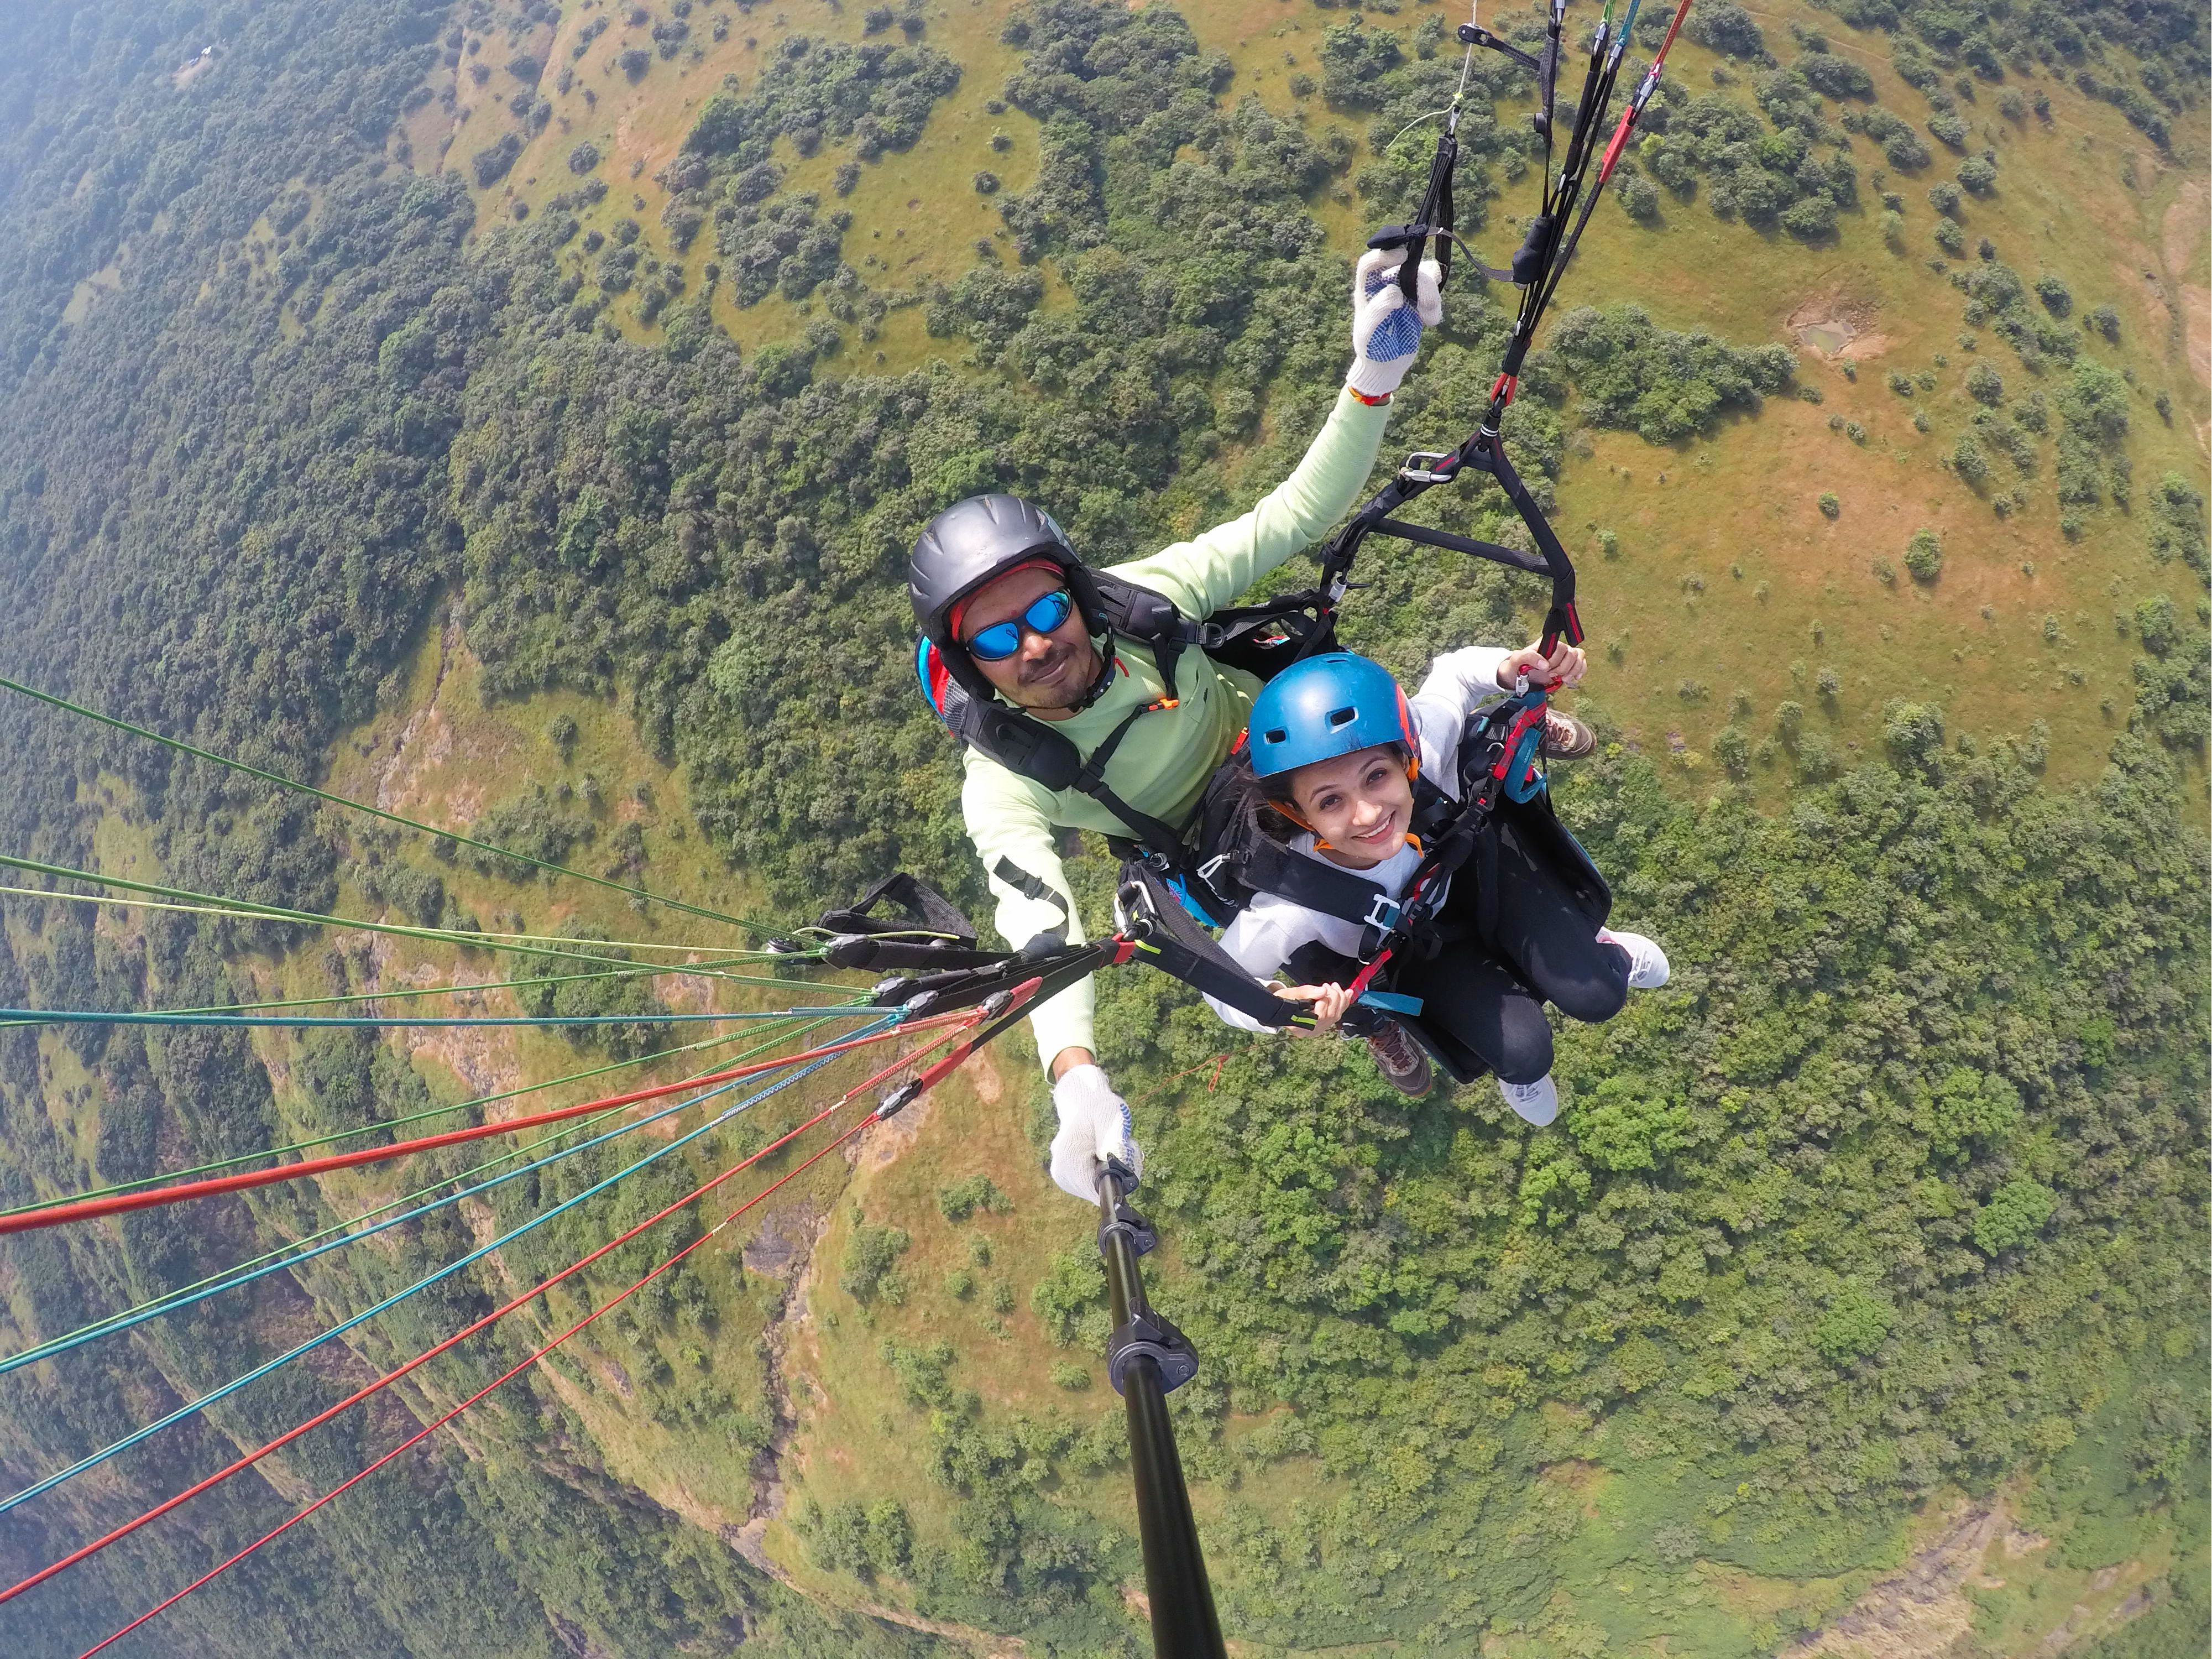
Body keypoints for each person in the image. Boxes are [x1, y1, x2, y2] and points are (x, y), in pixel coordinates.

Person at [910, 249, 1598, 1206]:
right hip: (1218, 863)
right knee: (1286, 994)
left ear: (1074, 594)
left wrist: (1376, 373)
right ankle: (1372, 1019)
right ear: (967, 663)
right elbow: (1038, 922)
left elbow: (1299, 513)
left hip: (1291, 753)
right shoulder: (1006, 775)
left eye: (1041, 611)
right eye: (995, 637)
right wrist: (1077, 1075)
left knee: (1420, 780)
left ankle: (1515, 753)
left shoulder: (1141, 602)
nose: (1033, 645)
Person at [1205, 648, 1670, 1121]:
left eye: (1376, 776)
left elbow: (1455, 675)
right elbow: (1221, 982)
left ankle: (1612, 954)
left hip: (1478, 872)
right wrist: (1279, 1006)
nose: (1366, 814)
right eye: (1330, 802)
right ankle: (1524, 1074)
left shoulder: (1426, 752)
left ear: (1406, 758)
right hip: (1418, 949)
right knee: (1525, 1054)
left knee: (1597, 996)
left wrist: (1506, 670)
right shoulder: (1295, 899)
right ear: (1297, 815)